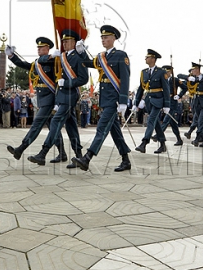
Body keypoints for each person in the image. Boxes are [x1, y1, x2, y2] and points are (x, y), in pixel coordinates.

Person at [73, 25, 132, 172]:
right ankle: (126, 160)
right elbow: (88, 63)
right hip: (105, 99)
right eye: (102, 37)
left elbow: (125, 79)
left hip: (114, 99)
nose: (103, 40)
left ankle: (87, 157)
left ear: (114, 39)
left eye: (106, 37)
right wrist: (80, 53)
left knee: (101, 128)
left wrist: (123, 100)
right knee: (115, 131)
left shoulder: (121, 55)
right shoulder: (102, 57)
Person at [26, 29, 89, 166]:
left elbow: (84, 79)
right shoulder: (62, 57)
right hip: (62, 96)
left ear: (74, 42)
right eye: (63, 41)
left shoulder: (79, 57)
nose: (64, 43)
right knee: (71, 126)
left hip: (71, 95)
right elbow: (41, 62)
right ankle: (79, 155)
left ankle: (43, 153)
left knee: (55, 122)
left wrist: (66, 83)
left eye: (67, 41)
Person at [5, 37, 65, 161]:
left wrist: (54, 57)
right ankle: (62, 154)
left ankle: (21, 149)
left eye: (41, 47)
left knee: (36, 124)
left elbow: (48, 63)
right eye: (38, 47)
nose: (39, 49)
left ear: (48, 49)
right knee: (53, 128)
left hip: (50, 98)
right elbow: (23, 64)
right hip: (41, 99)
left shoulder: (53, 61)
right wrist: (12, 56)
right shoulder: (37, 63)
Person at [134, 49, 171, 155]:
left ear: (153, 59)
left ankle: (144, 143)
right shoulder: (144, 72)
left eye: (148, 57)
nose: (145, 58)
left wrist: (167, 104)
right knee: (155, 123)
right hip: (149, 100)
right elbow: (141, 88)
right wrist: (136, 103)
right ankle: (163, 144)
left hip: (158, 100)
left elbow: (166, 89)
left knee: (151, 120)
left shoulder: (161, 72)